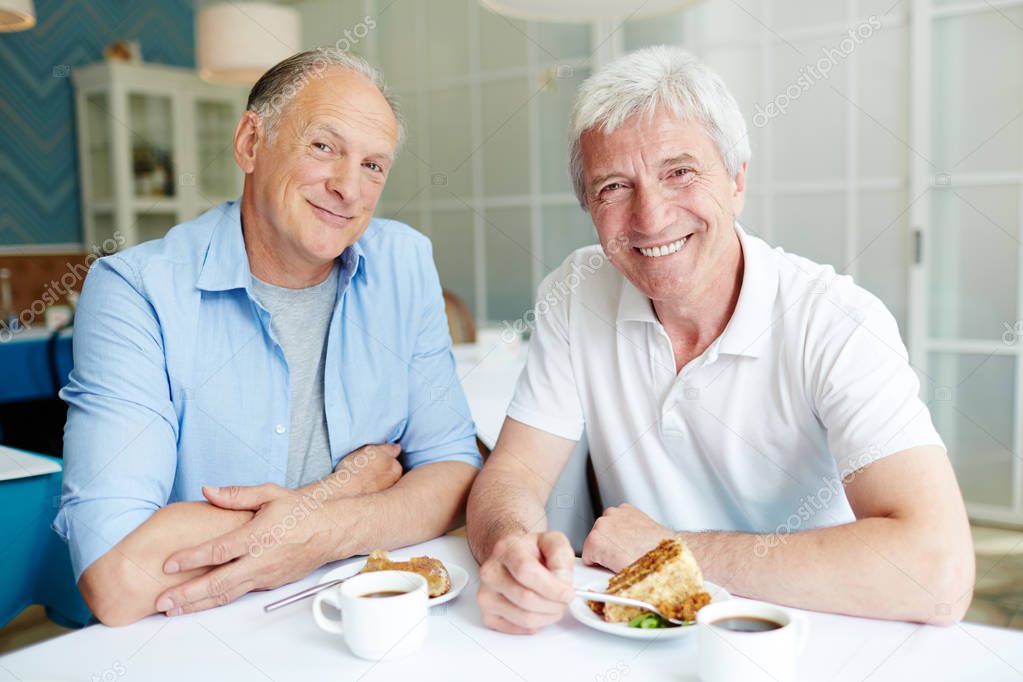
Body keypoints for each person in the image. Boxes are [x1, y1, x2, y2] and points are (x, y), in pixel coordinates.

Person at [467, 45, 974, 634]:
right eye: (613, 187)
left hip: (809, 636)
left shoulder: (836, 321)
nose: (651, 218)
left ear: (736, 182)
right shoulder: (577, 290)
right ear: (589, 208)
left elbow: (938, 572)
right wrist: (512, 548)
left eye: (679, 172)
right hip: (638, 632)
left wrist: (671, 550)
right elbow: (512, 478)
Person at [55, 50, 481, 626]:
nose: (348, 189)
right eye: (323, 147)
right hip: (196, 637)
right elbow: (118, 574)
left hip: (360, 620)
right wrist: (339, 494)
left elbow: (454, 476)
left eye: (373, 166)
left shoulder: (404, 261)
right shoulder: (137, 291)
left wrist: (322, 529)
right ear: (251, 143)